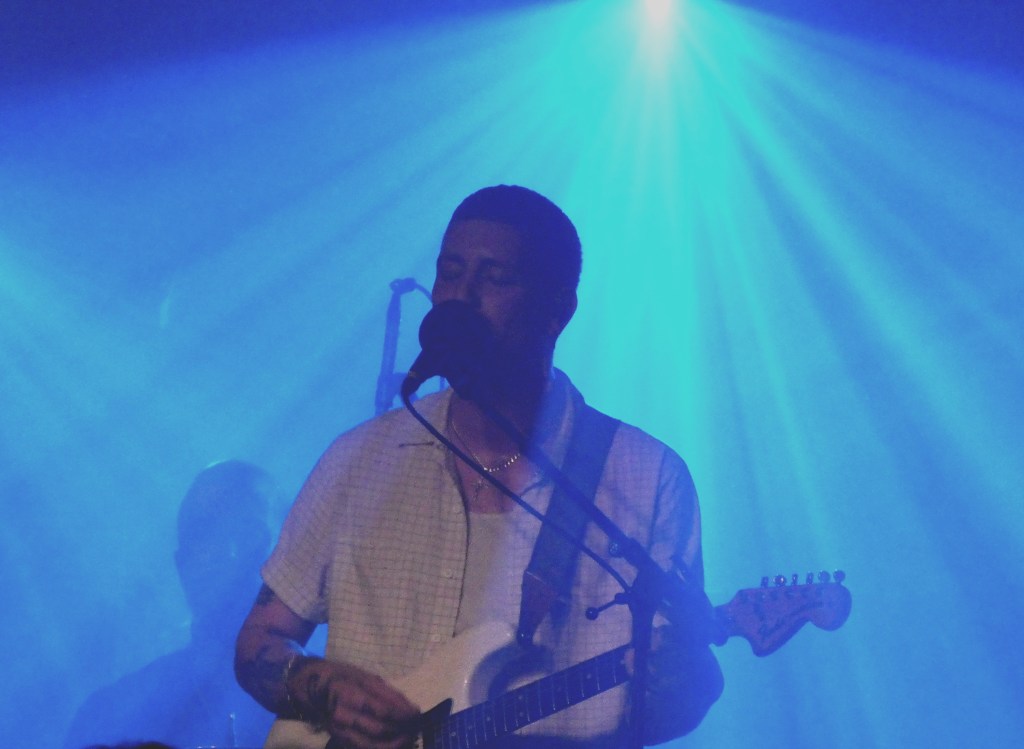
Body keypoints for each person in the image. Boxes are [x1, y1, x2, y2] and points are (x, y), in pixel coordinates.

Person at [234, 185, 723, 748]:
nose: (460, 298)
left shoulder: (645, 476)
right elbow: (258, 643)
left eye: (495, 278)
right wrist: (321, 685)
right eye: (449, 273)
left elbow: (667, 698)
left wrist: (685, 685)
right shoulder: (360, 458)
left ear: (558, 311)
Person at [65, 461, 279, 749]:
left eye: (248, 531)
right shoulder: (109, 718)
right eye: (206, 533)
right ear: (182, 564)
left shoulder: (334, 696)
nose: (229, 552)